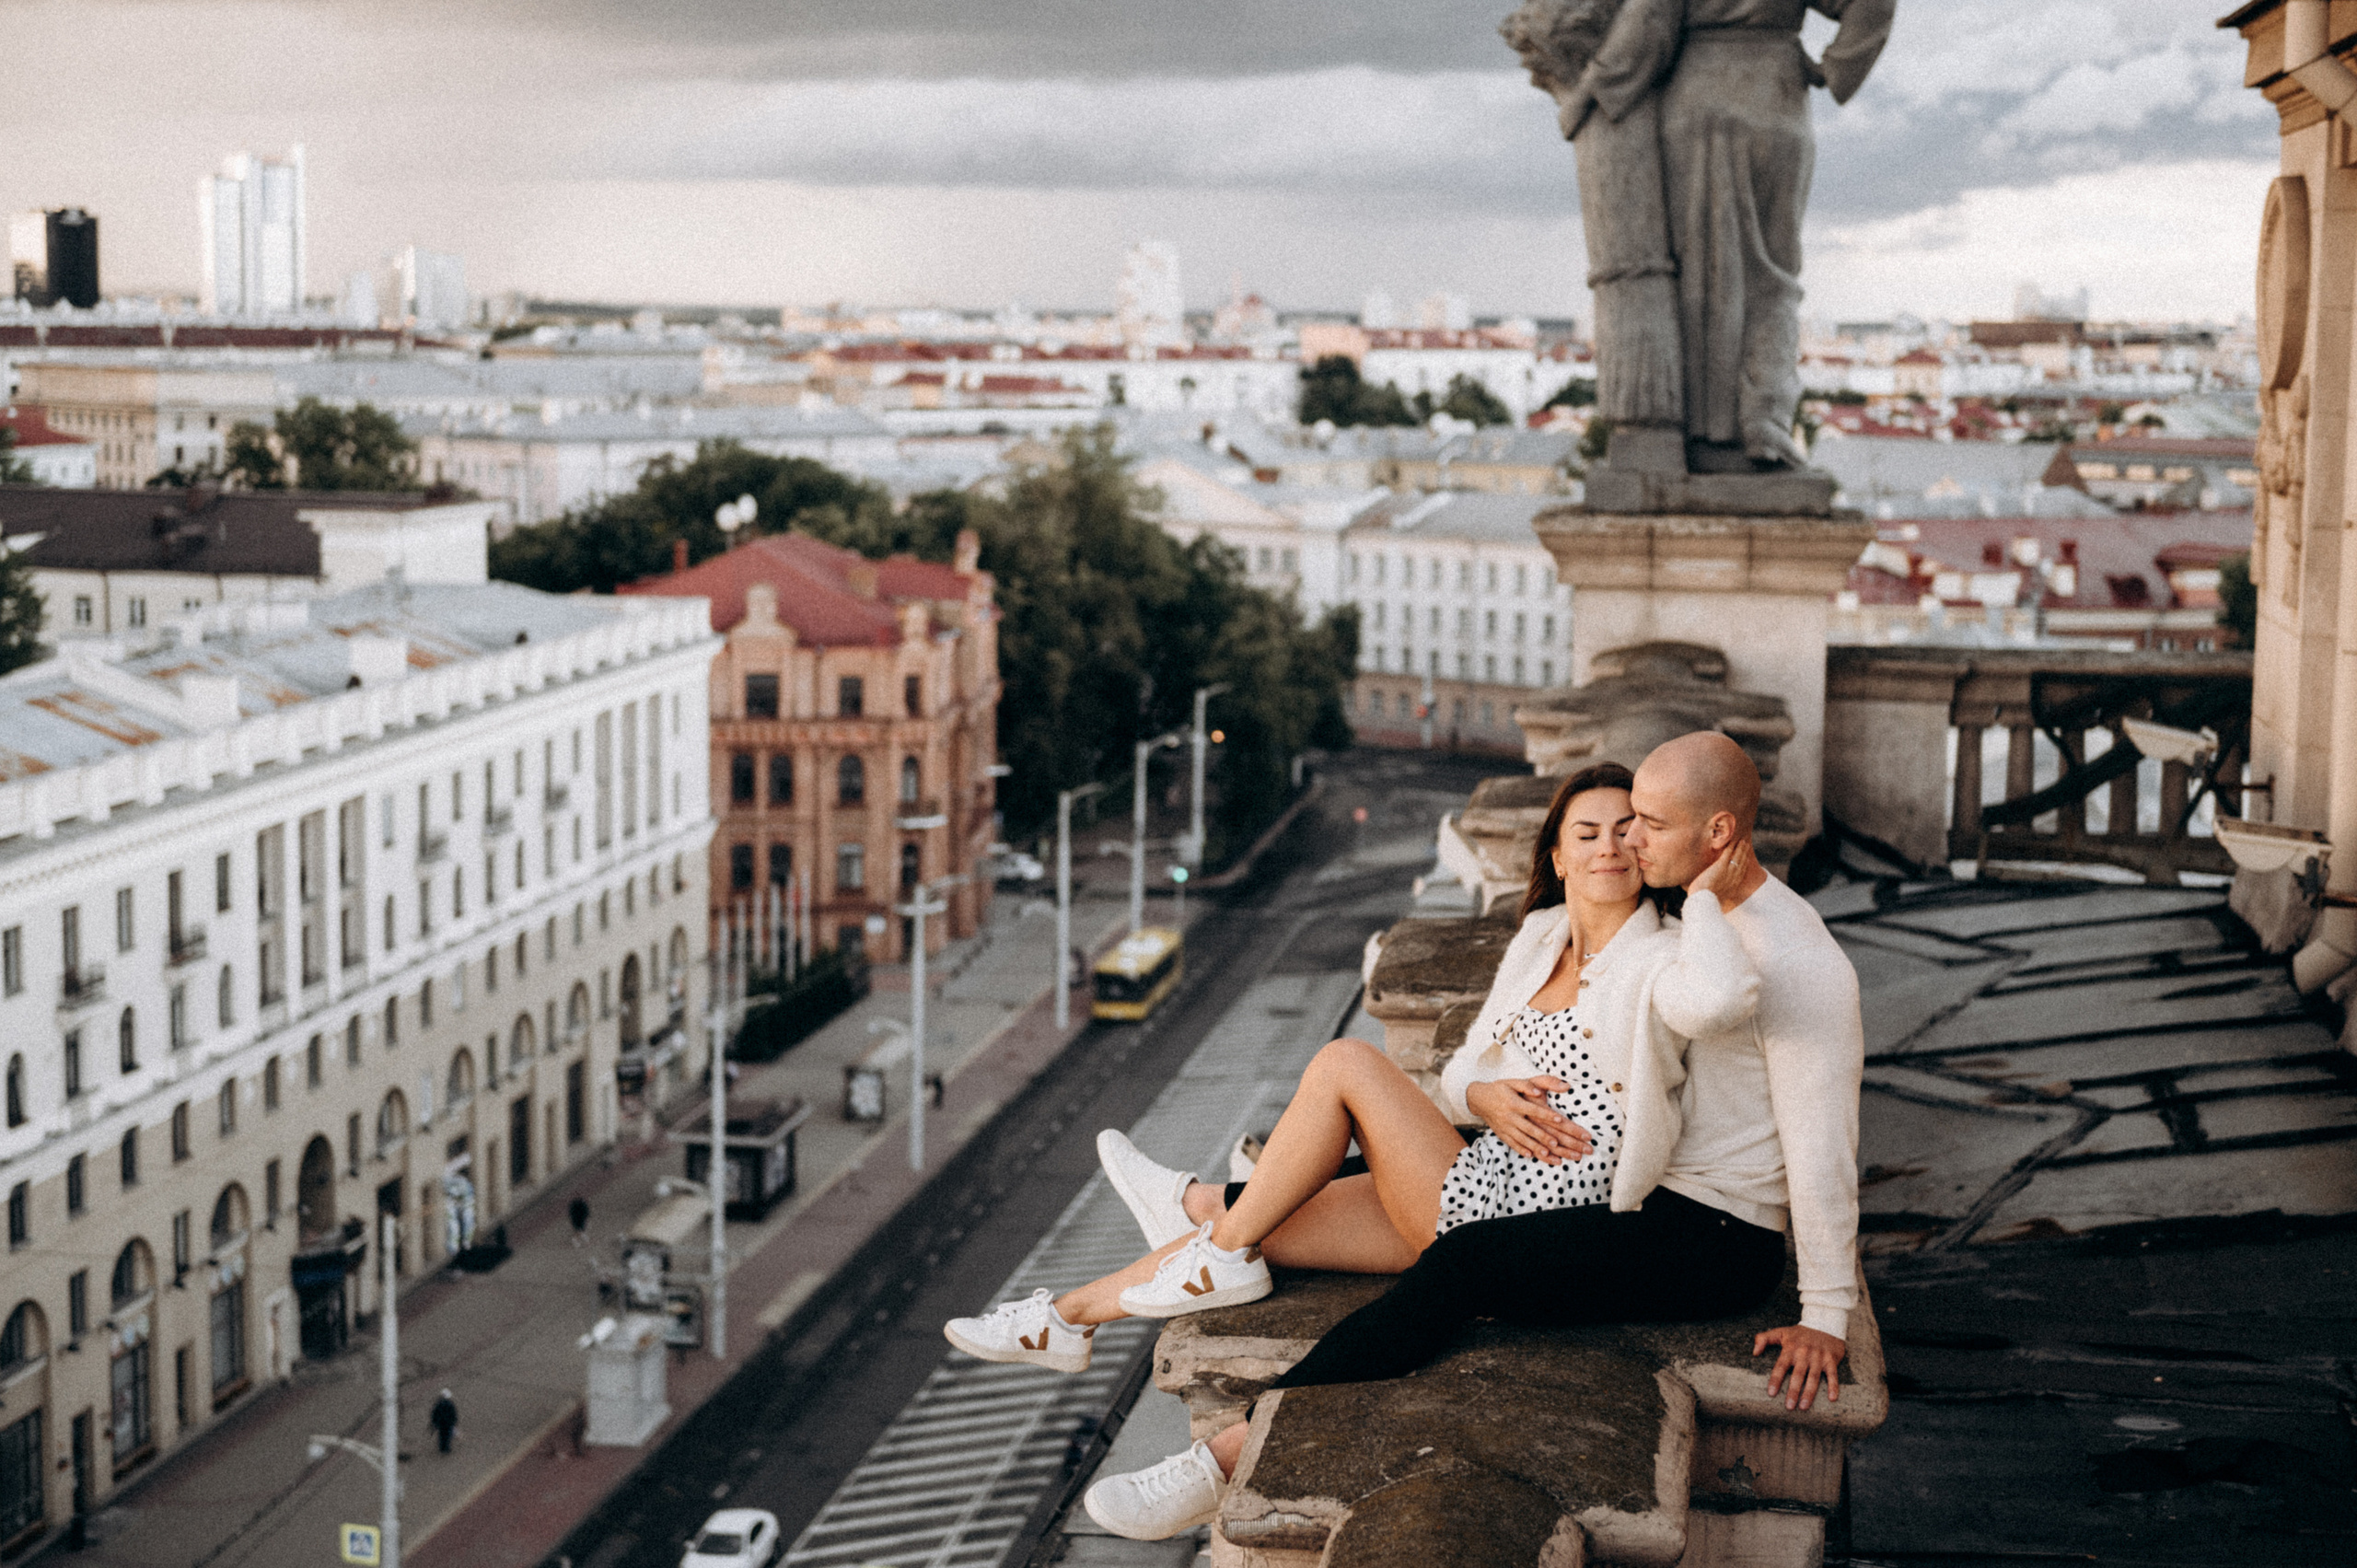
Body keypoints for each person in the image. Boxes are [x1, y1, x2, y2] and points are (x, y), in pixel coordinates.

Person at [1076, 732, 1864, 1541]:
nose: (1628, 838)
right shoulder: (1696, 922)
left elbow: (1824, 1142)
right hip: (1644, 1188)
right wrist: (1488, 1093)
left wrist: (1827, 1312)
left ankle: (1226, 1456)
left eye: (1649, 825)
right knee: (1376, 1165)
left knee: (1469, 1261)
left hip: (1714, 1233)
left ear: (1720, 835)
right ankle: (1187, 1225)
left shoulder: (1796, 956)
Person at [944, 761, 1759, 1490]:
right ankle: (1068, 1319)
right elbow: (1467, 1061)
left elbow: (1723, 999)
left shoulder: (1662, 955)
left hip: (1538, 1204)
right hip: (1480, 1174)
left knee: (1344, 1064)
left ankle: (1212, 1241)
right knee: (1272, 1216)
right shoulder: (1540, 937)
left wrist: (1702, 890)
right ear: (1555, 854)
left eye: (1630, 830)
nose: (1611, 846)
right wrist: (1481, 1096)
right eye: (1588, 831)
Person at [428, 1388, 459, 1455]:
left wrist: (434, 1422)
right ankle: (446, 1448)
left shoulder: (438, 1404)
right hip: (448, 1422)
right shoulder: (450, 1404)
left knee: (441, 1435)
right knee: (447, 1435)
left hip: (441, 1423)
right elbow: (453, 1413)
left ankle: (442, 1447)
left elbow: (434, 1413)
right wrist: (454, 1421)